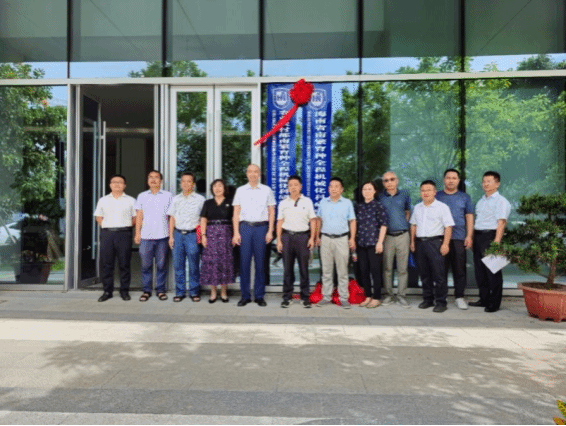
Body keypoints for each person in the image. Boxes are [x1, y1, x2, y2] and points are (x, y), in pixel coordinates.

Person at [232, 164, 276, 307]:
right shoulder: (240, 190)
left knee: (261, 263)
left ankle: (259, 296)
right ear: (246, 174)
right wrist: (236, 232)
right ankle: (245, 296)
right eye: (250, 171)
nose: (253, 174)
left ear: (259, 174)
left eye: (255, 171)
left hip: (261, 228)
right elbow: (236, 213)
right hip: (245, 228)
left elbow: (272, 212)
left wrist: (270, 231)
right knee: (244, 263)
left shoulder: (267, 190)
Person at [410, 180, 455, 313]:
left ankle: (441, 302)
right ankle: (428, 299)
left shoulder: (442, 207)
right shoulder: (417, 207)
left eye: (429, 190)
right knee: (424, 274)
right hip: (420, 243)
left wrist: (445, 244)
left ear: (435, 192)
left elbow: (448, 226)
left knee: (439, 274)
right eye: (423, 190)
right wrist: (412, 242)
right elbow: (413, 225)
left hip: (435, 243)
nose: (425, 193)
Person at [470, 171, 511, 313]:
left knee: (494, 271)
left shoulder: (501, 201)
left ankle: (494, 303)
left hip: (492, 236)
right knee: (480, 271)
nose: (485, 184)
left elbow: (501, 223)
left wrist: (496, 242)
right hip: (478, 236)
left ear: (497, 184)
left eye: (489, 181)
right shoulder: (481, 201)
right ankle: (484, 299)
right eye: (484, 181)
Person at [436, 169, 475, 310]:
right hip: (440, 238)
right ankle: (442, 296)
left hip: (459, 237)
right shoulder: (437, 196)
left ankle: (459, 297)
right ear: (444, 179)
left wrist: (469, 235)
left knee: (459, 269)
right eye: (448, 178)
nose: (451, 180)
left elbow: (469, 216)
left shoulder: (465, 197)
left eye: (454, 178)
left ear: (458, 180)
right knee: (441, 270)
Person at [94, 175, 137, 302]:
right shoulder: (103, 200)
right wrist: (107, 226)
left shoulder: (131, 200)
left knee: (124, 264)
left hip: (124, 234)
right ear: (110, 185)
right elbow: (98, 216)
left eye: (120, 182)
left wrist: (126, 226)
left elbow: (135, 217)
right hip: (107, 234)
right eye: (114, 182)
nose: (117, 184)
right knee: (107, 264)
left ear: (125, 185)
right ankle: (107, 291)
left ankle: (124, 291)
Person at [315, 177, 356, 309]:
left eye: (336, 186)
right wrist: (317, 236)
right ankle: (326, 296)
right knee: (326, 270)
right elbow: (319, 220)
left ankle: (343, 298)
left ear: (341, 189)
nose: (333, 189)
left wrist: (352, 238)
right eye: (331, 186)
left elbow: (352, 221)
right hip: (326, 238)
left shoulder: (347, 203)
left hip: (342, 239)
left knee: (342, 270)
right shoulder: (323, 202)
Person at [276, 175, 317, 309]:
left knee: (304, 269)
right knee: (287, 269)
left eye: (295, 184)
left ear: (301, 186)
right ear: (288, 187)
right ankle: (287, 297)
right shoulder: (283, 203)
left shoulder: (307, 201)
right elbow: (280, 222)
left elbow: (313, 220)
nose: (293, 187)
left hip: (303, 237)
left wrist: (312, 238)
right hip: (287, 237)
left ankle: (305, 297)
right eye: (290, 185)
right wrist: (279, 240)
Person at [135, 170, 173, 302]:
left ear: (161, 181)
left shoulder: (168, 196)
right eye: (150, 177)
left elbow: (171, 217)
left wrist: (171, 235)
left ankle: (160, 290)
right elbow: (139, 215)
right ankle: (146, 291)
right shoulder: (142, 196)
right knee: (146, 265)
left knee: (161, 265)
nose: (153, 180)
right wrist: (137, 233)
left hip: (163, 236)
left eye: (156, 177)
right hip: (146, 237)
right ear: (147, 181)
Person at [169, 173, 205, 303]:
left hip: (192, 235)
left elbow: (203, 219)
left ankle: (194, 292)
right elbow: (172, 218)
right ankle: (180, 292)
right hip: (178, 234)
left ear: (193, 184)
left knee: (194, 265)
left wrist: (202, 235)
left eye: (189, 181)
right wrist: (171, 236)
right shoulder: (175, 199)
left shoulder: (200, 199)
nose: (185, 184)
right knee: (178, 265)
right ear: (180, 184)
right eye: (183, 181)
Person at [378, 171, 412, 307]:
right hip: (387, 237)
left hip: (403, 235)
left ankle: (401, 295)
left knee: (402, 268)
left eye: (392, 179)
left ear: (397, 180)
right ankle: (389, 295)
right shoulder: (380, 196)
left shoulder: (404, 194)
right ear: (383, 183)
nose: (389, 182)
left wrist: (403, 224)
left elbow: (407, 211)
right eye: (386, 180)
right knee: (387, 268)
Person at [356, 181, 388, 309]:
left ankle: (376, 297)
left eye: (370, 189)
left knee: (375, 271)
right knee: (364, 271)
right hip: (361, 243)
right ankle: (368, 296)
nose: (367, 191)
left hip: (374, 243)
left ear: (374, 191)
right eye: (365, 189)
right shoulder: (359, 207)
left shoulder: (378, 206)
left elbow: (383, 225)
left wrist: (380, 242)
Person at [200, 179, 234, 303]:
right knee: (212, 262)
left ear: (224, 188)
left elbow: (234, 219)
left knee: (225, 262)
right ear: (212, 189)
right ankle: (213, 292)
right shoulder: (208, 203)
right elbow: (203, 220)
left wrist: (235, 235)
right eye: (215, 186)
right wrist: (203, 235)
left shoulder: (230, 202)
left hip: (226, 234)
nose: (217, 188)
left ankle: (224, 292)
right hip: (211, 234)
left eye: (220, 186)